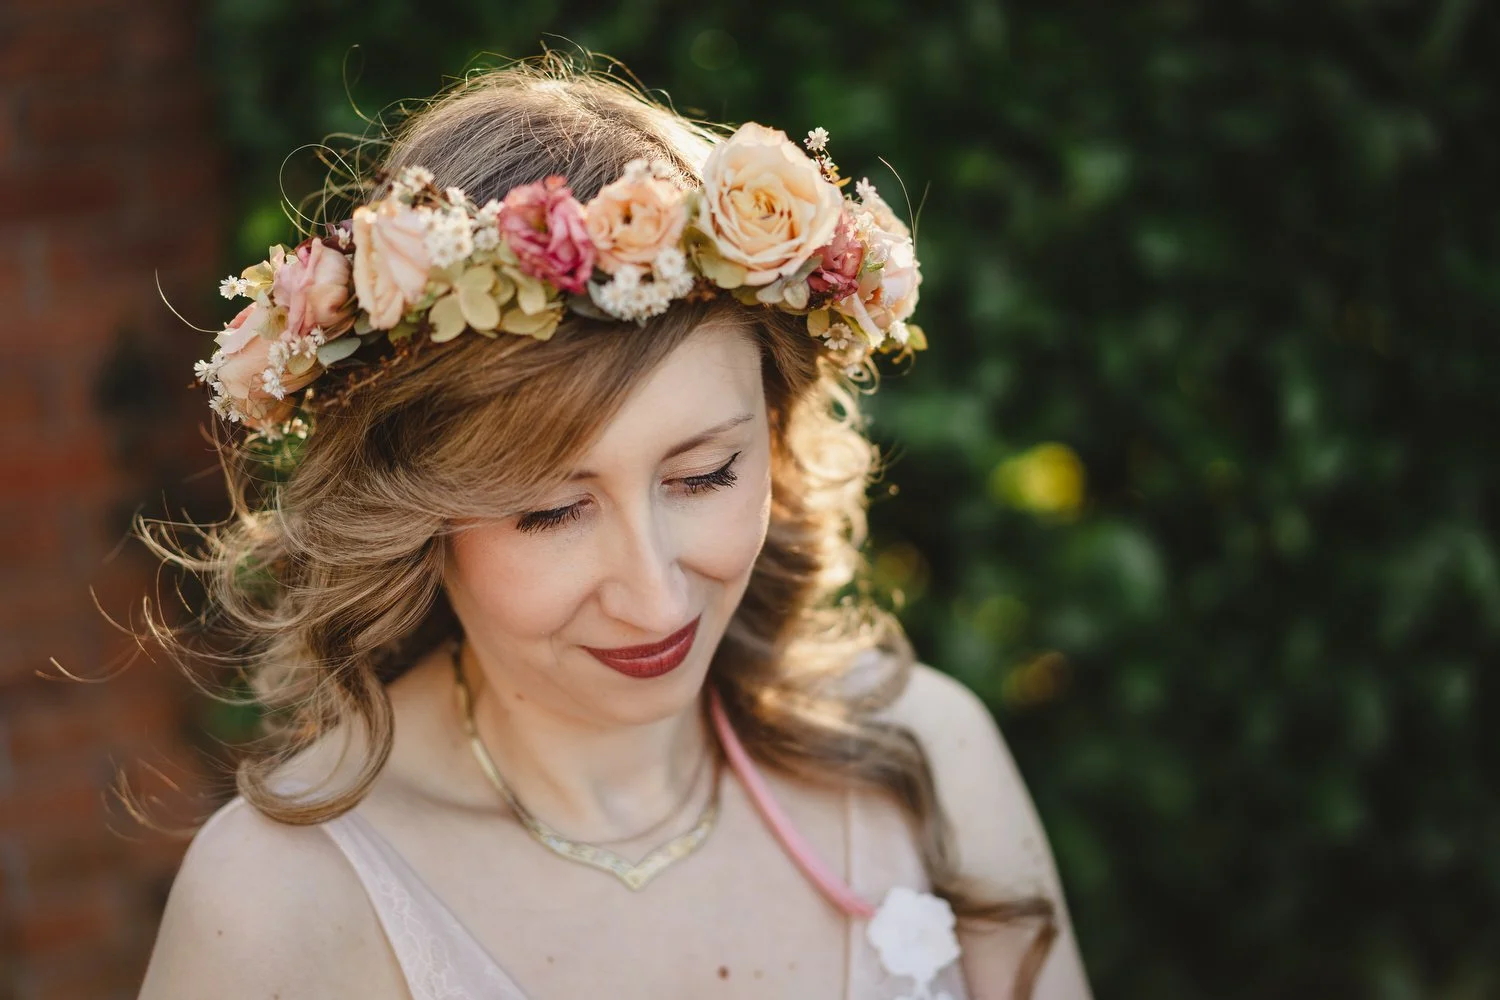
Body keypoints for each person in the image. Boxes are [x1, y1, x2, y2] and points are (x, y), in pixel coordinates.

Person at [135, 55, 1092, 1000]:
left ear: (774, 434)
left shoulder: (925, 755)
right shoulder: (277, 909)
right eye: (551, 510)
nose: (657, 595)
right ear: (412, 515)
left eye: (704, 474)